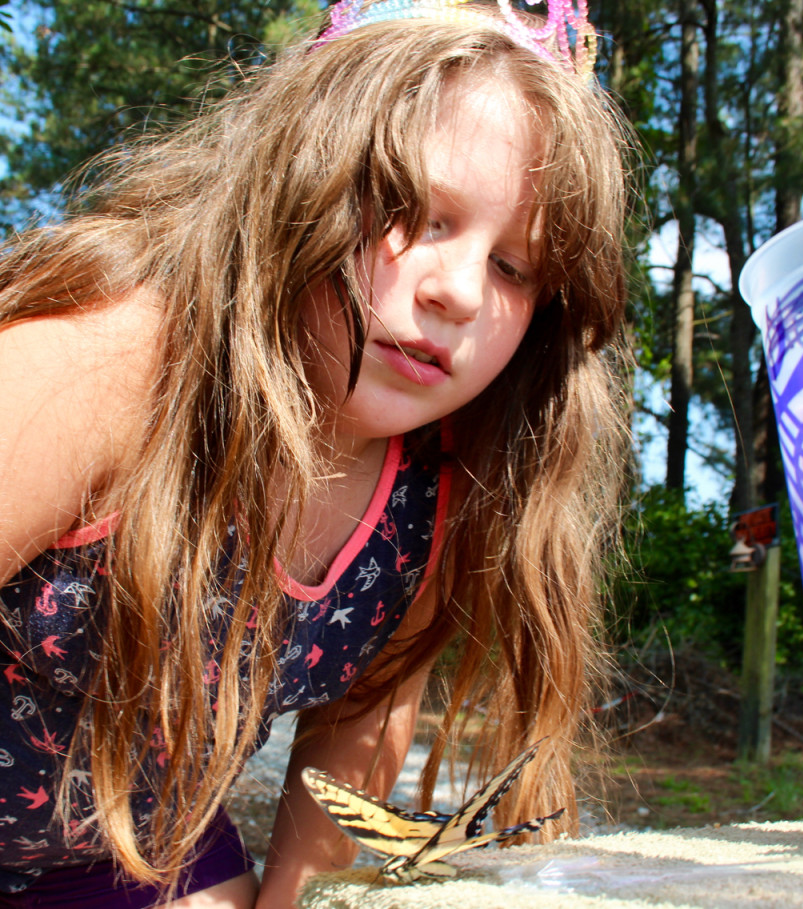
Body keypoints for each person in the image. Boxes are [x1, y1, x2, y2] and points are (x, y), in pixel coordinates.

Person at [0, 0, 631, 905]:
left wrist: (291, 897)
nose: (457, 289)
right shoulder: (119, 360)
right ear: (303, 173)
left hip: (135, 846)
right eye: (416, 211)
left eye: (514, 267)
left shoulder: (433, 495)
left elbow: (360, 720)